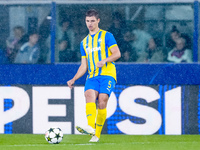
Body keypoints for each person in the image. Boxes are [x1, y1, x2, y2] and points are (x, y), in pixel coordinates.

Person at [67, 9, 121, 142]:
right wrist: (74, 78)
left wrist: (105, 60)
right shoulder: (83, 43)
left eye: (92, 21)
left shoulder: (107, 36)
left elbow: (117, 53)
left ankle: (96, 134)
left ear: (98, 21)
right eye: (87, 21)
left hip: (107, 74)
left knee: (102, 100)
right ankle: (90, 127)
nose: (89, 24)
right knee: (89, 95)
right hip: (92, 76)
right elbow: (84, 65)